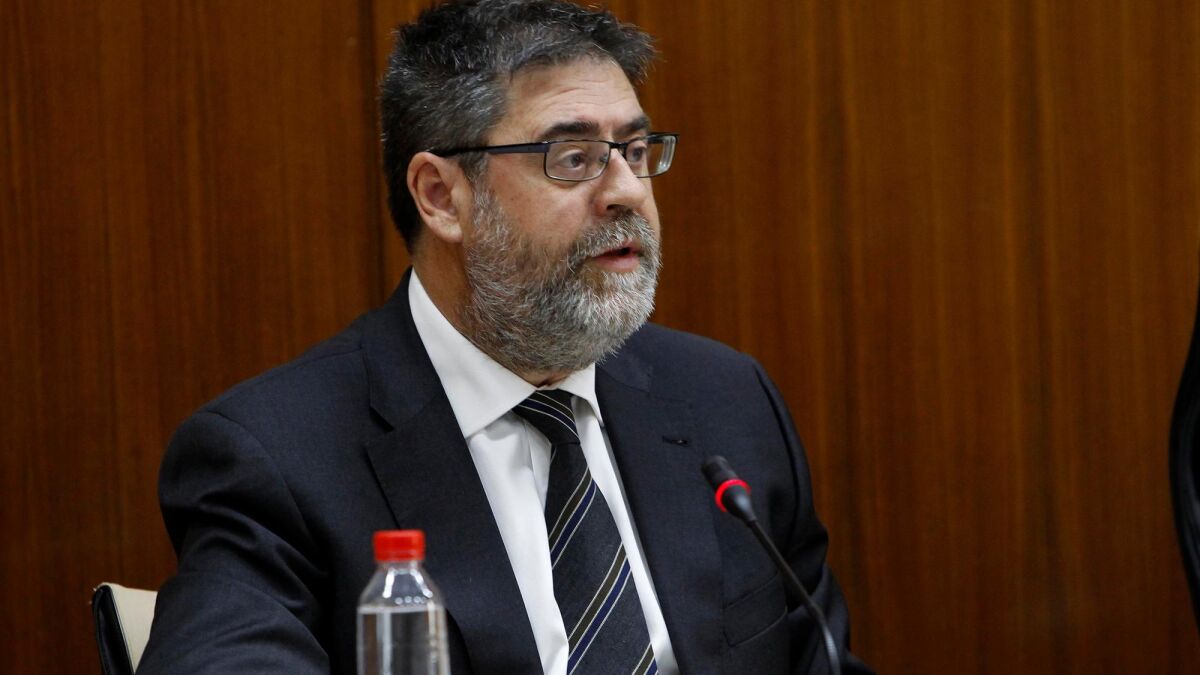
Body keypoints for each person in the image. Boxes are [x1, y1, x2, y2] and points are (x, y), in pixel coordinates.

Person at [139, 1, 871, 673]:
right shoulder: (278, 459)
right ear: (441, 196)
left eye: (634, 149)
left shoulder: (725, 400)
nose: (627, 191)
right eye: (573, 158)